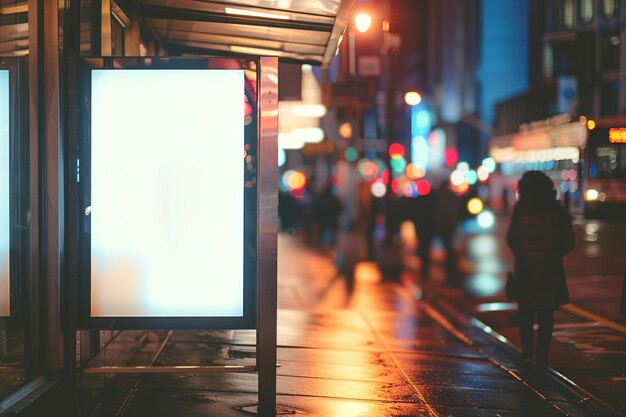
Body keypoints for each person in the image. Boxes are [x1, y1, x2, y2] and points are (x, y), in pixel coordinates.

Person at [506, 171, 575, 375]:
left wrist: (524, 253)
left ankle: (527, 352)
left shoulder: (521, 209)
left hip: (526, 270)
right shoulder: (557, 210)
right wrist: (552, 254)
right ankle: (542, 358)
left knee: (526, 313)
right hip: (549, 271)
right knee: (546, 316)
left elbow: (512, 237)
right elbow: (569, 241)